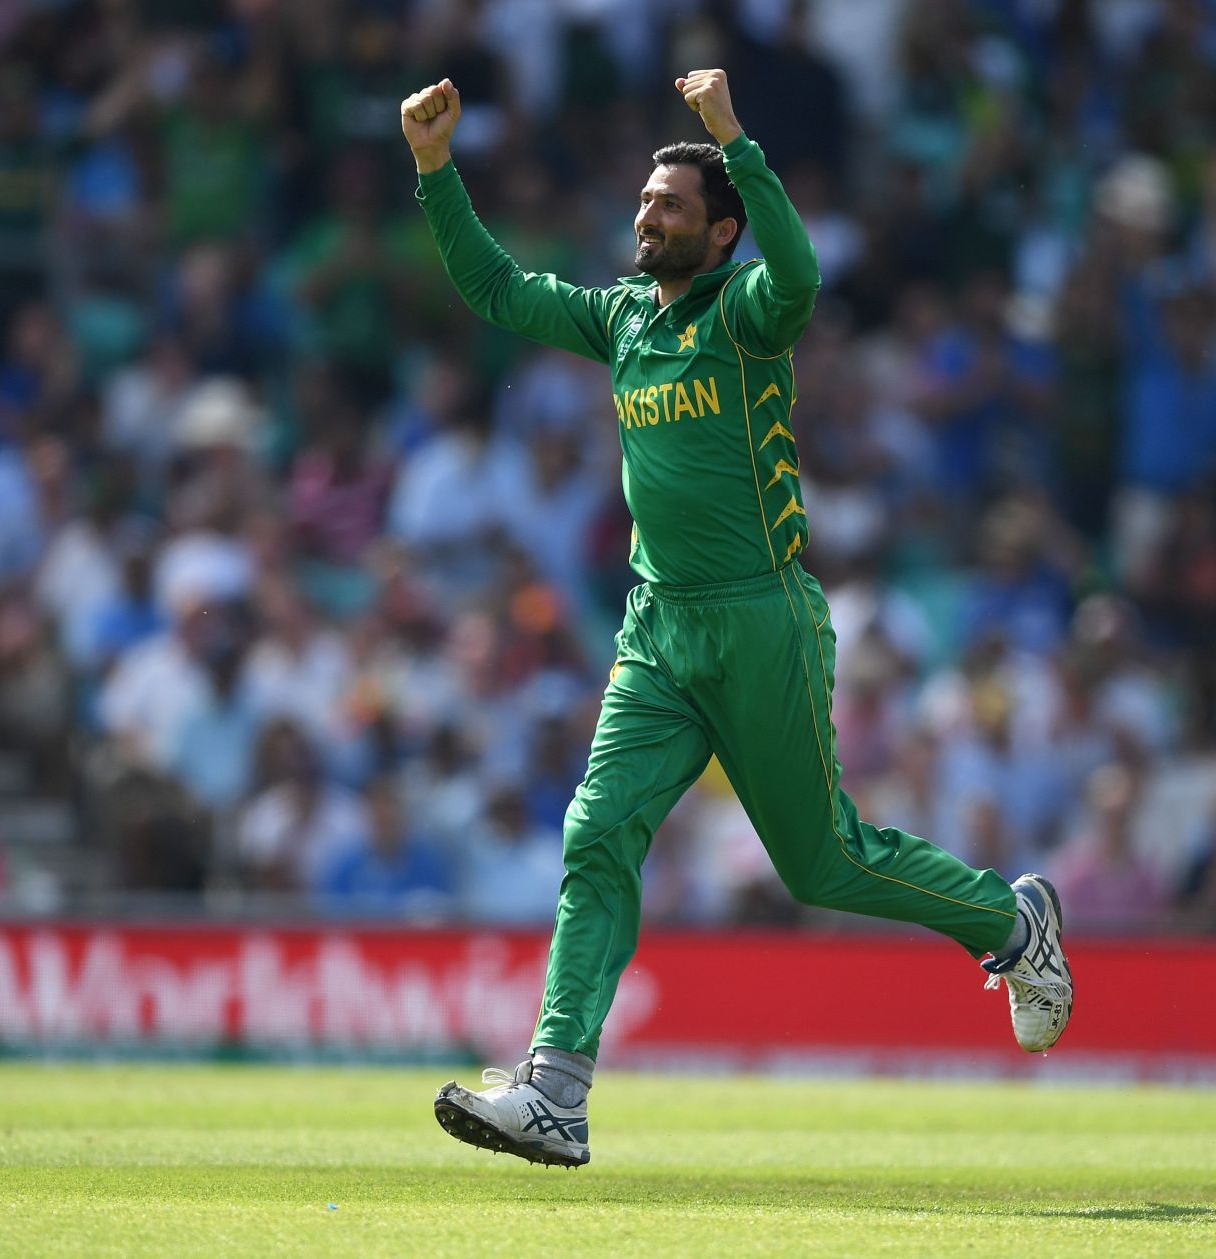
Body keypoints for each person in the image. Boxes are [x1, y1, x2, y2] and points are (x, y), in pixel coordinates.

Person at [401, 70, 1071, 1169]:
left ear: (720, 233)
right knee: (595, 831)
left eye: (671, 205)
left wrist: (735, 140)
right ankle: (556, 1089)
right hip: (658, 627)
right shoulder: (622, 318)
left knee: (821, 865)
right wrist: (435, 170)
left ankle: (1012, 924)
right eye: (646, 198)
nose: (647, 215)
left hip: (764, 620)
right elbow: (497, 291)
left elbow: (801, 274)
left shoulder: (749, 312)